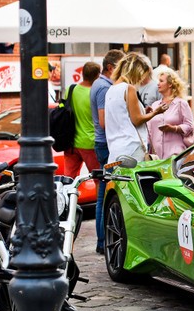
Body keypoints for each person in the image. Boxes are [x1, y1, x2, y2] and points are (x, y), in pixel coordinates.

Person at [90, 49, 125, 254]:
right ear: (111, 67)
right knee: (105, 195)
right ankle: (103, 241)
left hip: (102, 143)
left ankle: (102, 240)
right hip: (105, 144)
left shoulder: (99, 84)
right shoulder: (104, 87)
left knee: (104, 194)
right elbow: (103, 122)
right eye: (120, 67)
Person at [105, 52, 168, 162]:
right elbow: (137, 120)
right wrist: (155, 113)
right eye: (140, 76)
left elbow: (123, 116)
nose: (140, 80)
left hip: (115, 149)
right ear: (134, 72)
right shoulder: (129, 88)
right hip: (132, 147)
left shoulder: (111, 90)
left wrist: (143, 111)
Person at [146, 69, 194, 160]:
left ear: (170, 84)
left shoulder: (181, 103)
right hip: (156, 156)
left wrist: (174, 128)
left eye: (161, 81)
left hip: (175, 154)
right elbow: (149, 129)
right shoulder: (155, 105)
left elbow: (190, 126)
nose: (158, 84)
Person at [64, 62, 101, 178]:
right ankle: (98, 198)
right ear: (97, 76)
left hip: (70, 143)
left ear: (82, 73)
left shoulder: (70, 90)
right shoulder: (94, 93)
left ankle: (69, 197)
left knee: (69, 179)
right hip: (90, 142)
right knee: (98, 179)